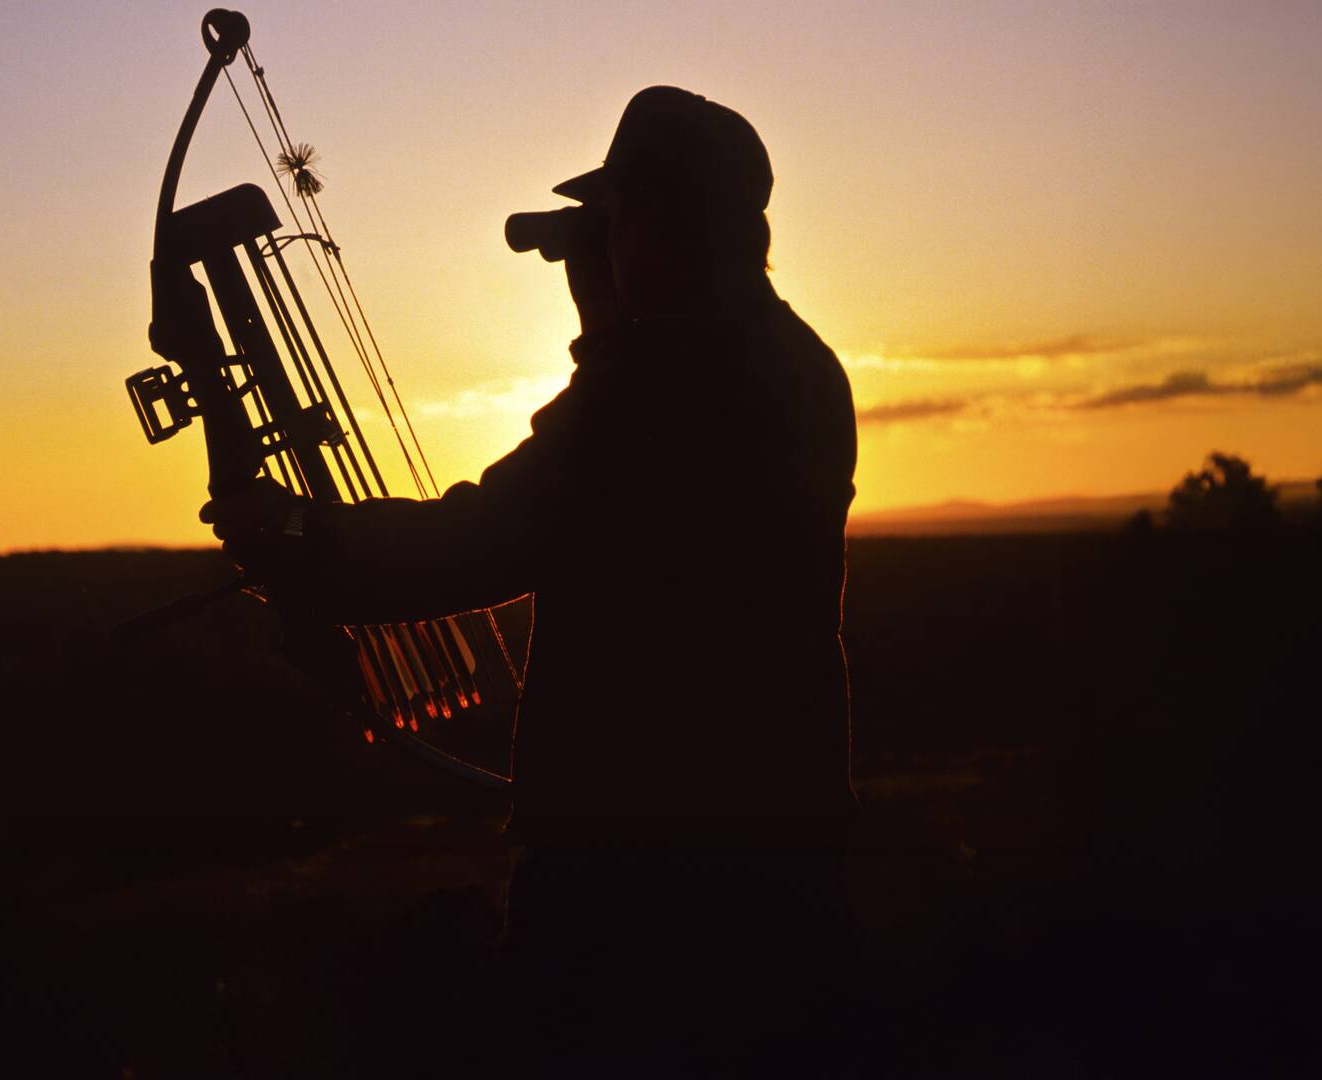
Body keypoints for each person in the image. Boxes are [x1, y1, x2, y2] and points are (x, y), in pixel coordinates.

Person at [203, 86, 858, 1071]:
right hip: (783, 854)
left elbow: (489, 535)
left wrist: (297, 540)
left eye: (621, 219)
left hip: (638, 883)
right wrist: (612, 320)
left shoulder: (657, 382)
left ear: (647, 227)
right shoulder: (802, 364)